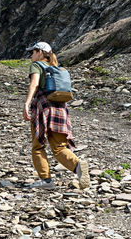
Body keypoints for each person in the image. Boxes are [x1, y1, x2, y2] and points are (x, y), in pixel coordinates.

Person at [22, 42, 90, 190]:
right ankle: (78, 166)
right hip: (60, 109)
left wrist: (27, 103)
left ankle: (46, 181)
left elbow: (34, 84)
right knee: (59, 147)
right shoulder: (55, 68)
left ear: (40, 52)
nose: (31, 55)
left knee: (38, 145)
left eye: (32, 52)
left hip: (43, 107)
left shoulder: (37, 65)